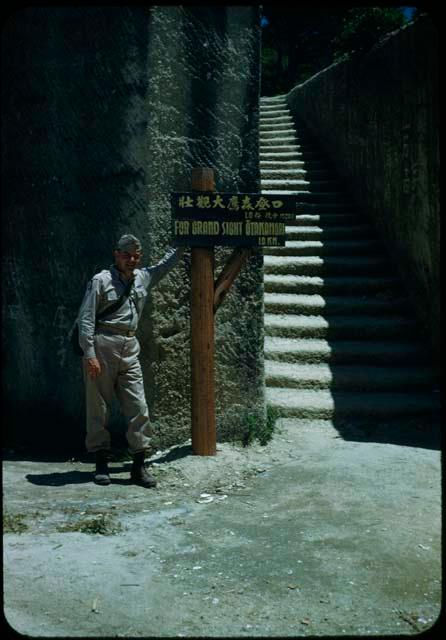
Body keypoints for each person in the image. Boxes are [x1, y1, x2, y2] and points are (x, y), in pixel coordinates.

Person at [77, 234, 184, 487]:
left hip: (129, 346)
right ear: (116, 254)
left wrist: (183, 240)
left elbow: (166, 265)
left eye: (136, 256)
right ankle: (101, 463)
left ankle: (139, 467)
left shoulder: (143, 277)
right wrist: (89, 354)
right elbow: (86, 319)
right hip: (103, 345)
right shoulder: (101, 281)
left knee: (138, 407)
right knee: (98, 407)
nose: (131, 260)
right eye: (126, 255)